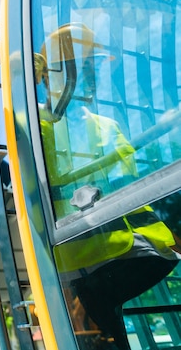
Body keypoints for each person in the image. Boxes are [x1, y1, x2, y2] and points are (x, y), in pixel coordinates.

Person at [35, 23, 180, 350]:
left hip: (141, 250)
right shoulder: (37, 129)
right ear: (54, 73)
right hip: (82, 263)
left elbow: (127, 181)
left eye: (94, 67)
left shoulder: (107, 125)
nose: (93, 75)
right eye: (84, 67)